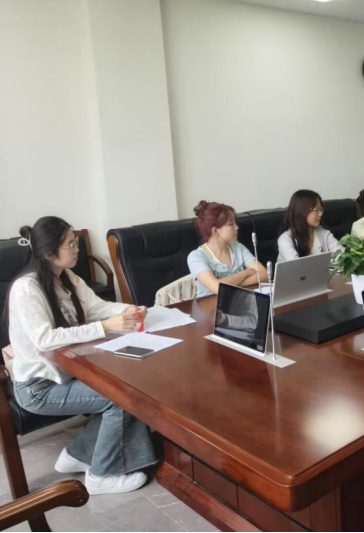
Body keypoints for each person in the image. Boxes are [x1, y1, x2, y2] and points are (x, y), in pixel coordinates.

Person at [3, 217, 158, 495]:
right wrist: (105, 327)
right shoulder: (26, 288)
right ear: (49, 252)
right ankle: (102, 474)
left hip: (67, 373)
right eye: (70, 244)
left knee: (129, 386)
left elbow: (96, 307)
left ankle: (78, 454)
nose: (77, 249)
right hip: (39, 388)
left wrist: (128, 310)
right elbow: (44, 338)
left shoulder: (67, 277)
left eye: (75, 242)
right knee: (122, 397)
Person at [187, 201, 268, 298]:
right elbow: (217, 288)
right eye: (231, 224)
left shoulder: (237, 247)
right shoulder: (196, 257)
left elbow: (264, 273)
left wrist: (230, 286)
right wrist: (246, 273)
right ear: (215, 231)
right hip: (210, 306)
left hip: (237, 301)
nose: (236, 227)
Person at [277, 190, 340, 263]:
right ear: (302, 211)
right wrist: (327, 257)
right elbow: (297, 266)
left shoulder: (322, 232)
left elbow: (342, 254)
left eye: (320, 209)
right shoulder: (285, 240)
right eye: (316, 209)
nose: (320, 214)